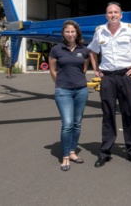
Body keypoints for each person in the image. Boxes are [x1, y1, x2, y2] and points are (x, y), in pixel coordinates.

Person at [88, 2, 131, 168]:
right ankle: (105, 152)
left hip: (125, 76)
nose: (113, 15)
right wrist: (95, 69)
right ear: (106, 15)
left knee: (129, 113)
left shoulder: (130, 29)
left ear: (121, 15)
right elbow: (92, 50)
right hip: (108, 78)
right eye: (110, 12)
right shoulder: (100, 31)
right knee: (108, 114)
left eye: (116, 12)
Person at [48, 20, 90, 171]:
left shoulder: (84, 50)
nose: (70, 34)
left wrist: (77, 80)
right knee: (67, 123)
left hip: (81, 90)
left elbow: (84, 68)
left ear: (77, 33)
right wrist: (60, 83)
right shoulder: (56, 50)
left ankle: (72, 151)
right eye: (67, 32)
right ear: (63, 33)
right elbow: (52, 70)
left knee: (77, 122)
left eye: (73, 31)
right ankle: (65, 156)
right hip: (63, 90)